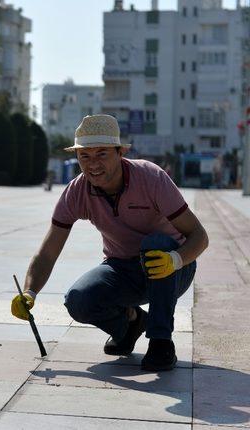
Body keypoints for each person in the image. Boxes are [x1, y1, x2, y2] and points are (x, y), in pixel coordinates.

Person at [11, 114, 208, 371]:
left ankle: (161, 342)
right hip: (121, 268)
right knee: (78, 300)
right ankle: (130, 324)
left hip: (172, 269)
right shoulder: (77, 191)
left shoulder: (151, 178)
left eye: (102, 154)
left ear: (119, 153)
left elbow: (199, 236)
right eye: (85, 156)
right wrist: (30, 292)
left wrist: (176, 259)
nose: (93, 164)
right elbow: (48, 253)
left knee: (157, 243)